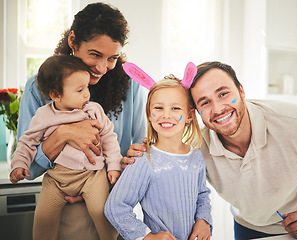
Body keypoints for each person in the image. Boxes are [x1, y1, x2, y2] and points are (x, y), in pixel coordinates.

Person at [126, 61, 297, 240]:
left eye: (224, 93)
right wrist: (142, 153)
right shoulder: (196, 148)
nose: (218, 108)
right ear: (195, 112)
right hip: (248, 228)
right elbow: (175, 170)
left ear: (241, 90)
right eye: (204, 102)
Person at [17, 3, 146, 239]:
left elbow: (139, 157)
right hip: (65, 207)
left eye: (112, 58)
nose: (102, 67)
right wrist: (63, 134)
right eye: (95, 54)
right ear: (73, 41)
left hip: (113, 205)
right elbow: (29, 168)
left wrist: (104, 182)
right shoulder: (39, 88)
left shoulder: (131, 87)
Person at [10, 55, 121, 240]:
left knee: (101, 211)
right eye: (79, 90)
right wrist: (19, 164)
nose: (87, 94)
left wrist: (115, 165)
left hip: (91, 175)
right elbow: (27, 141)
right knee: (44, 216)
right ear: (55, 94)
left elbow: (109, 136)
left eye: (87, 87)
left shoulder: (93, 110)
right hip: (57, 178)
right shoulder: (44, 115)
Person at [104, 62, 212, 240]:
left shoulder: (196, 157)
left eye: (175, 108)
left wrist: (204, 220)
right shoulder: (143, 160)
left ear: (189, 115)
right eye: (158, 108)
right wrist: (147, 237)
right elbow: (116, 207)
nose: (166, 115)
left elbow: (202, 194)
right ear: (148, 113)